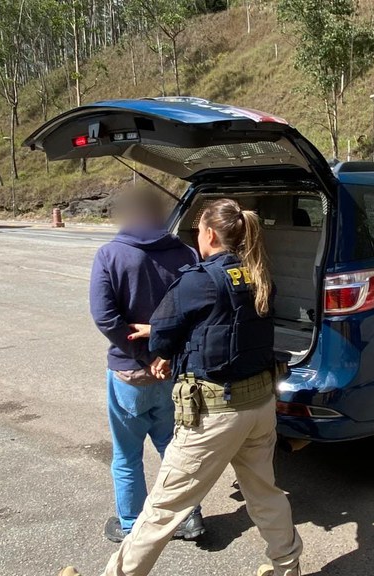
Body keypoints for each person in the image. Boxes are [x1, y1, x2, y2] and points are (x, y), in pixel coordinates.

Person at [61, 198, 302, 576]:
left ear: (208, 232)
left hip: (217, 413)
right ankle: (288, 569)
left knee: (162, 509)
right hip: (260, 405)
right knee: (265, 494)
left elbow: (162, 343)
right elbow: (225, 322)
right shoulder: (258, 274)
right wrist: (163, 329)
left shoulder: (198, 279)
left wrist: (156, 333)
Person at [89, 185, 205, 544]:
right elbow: (199, 311)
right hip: (174, 371)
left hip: (129, 372)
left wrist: (145, 355)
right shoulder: (186, 253)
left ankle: (131, 525)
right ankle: (188, 518)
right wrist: (166, 355)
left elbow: (105, 317)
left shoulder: (110, 255)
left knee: (126, 456)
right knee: (174, 448)